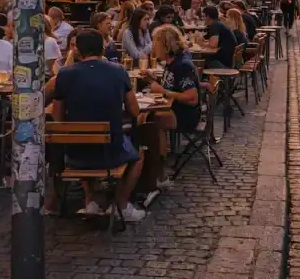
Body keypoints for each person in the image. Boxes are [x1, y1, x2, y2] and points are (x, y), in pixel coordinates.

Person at [52, 29, 147, 221]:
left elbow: (58, 117)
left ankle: (92, 201)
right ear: (103, 48)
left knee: (84, 139)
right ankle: (122, 204)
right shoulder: (118, 71)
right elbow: (135, 111)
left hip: (75, 153)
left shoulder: (64, 74)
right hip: (110, 152)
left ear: (77, 50)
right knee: (139, 155)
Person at [147, 24, 201, 191]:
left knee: (153, 124)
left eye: (155, 42)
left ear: (164, 45)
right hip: (174, 110)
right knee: (145, 119)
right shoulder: (171, 63)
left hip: (186, 114)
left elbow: (192, 98)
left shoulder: (182, 65)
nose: (152, 46)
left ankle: (160, 174)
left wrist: (162, 91)